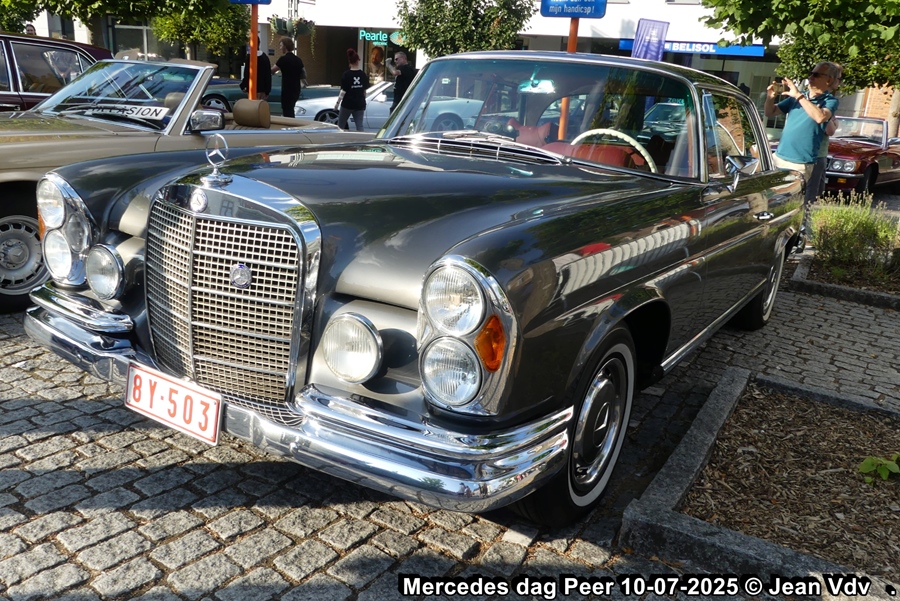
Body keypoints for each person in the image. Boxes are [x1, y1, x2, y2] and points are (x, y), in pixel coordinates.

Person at [764, 61, 841, 183]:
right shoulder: (798, 97)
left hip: (801, 163)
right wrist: (770, 98)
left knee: (794, 196)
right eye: (811, 73)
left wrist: (798, 96)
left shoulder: (830, 101)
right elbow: (770, 112)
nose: (810, 77)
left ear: (829, 80)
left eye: (816, 75)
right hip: (779, 157)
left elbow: (820, 117)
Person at [807, 64, 843, 202]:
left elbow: (830, 128)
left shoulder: (830, 102)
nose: (839, 82)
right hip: (815, 154)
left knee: (815, 192)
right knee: (811, 192)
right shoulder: (820, 102)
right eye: (838, 78)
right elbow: (831, 129)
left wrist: (829, 119)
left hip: (819, 153)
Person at [335, 48, 369, 131]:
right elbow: (364, 91)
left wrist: (337, 103)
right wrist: (363, 101)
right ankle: (361, 139)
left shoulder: (346, 75)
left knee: (340, 125)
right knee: (359, 126)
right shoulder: (363, 74)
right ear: (358, 61)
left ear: (349, 61)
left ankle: (339, 138)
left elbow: (343, 91)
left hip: (347, 104)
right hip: (359, 104)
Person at [271, 37, 304, 118]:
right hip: (296, 88)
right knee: (291, 108)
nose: (280, 48)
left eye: (281, 45)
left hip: (287, 88)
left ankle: (290, 125)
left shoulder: (283, 59)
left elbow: (272, 70)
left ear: (285, 46)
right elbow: (303, 74)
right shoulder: (298, 60)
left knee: (287, 109)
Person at [239, 36, 272, 102]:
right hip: (262, 89)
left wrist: (243, 85)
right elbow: (268, 75)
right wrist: (267, 90)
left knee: (252, 106)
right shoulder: (264, 57)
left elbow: (247, 73)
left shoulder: (249, 57)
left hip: (252, 88)